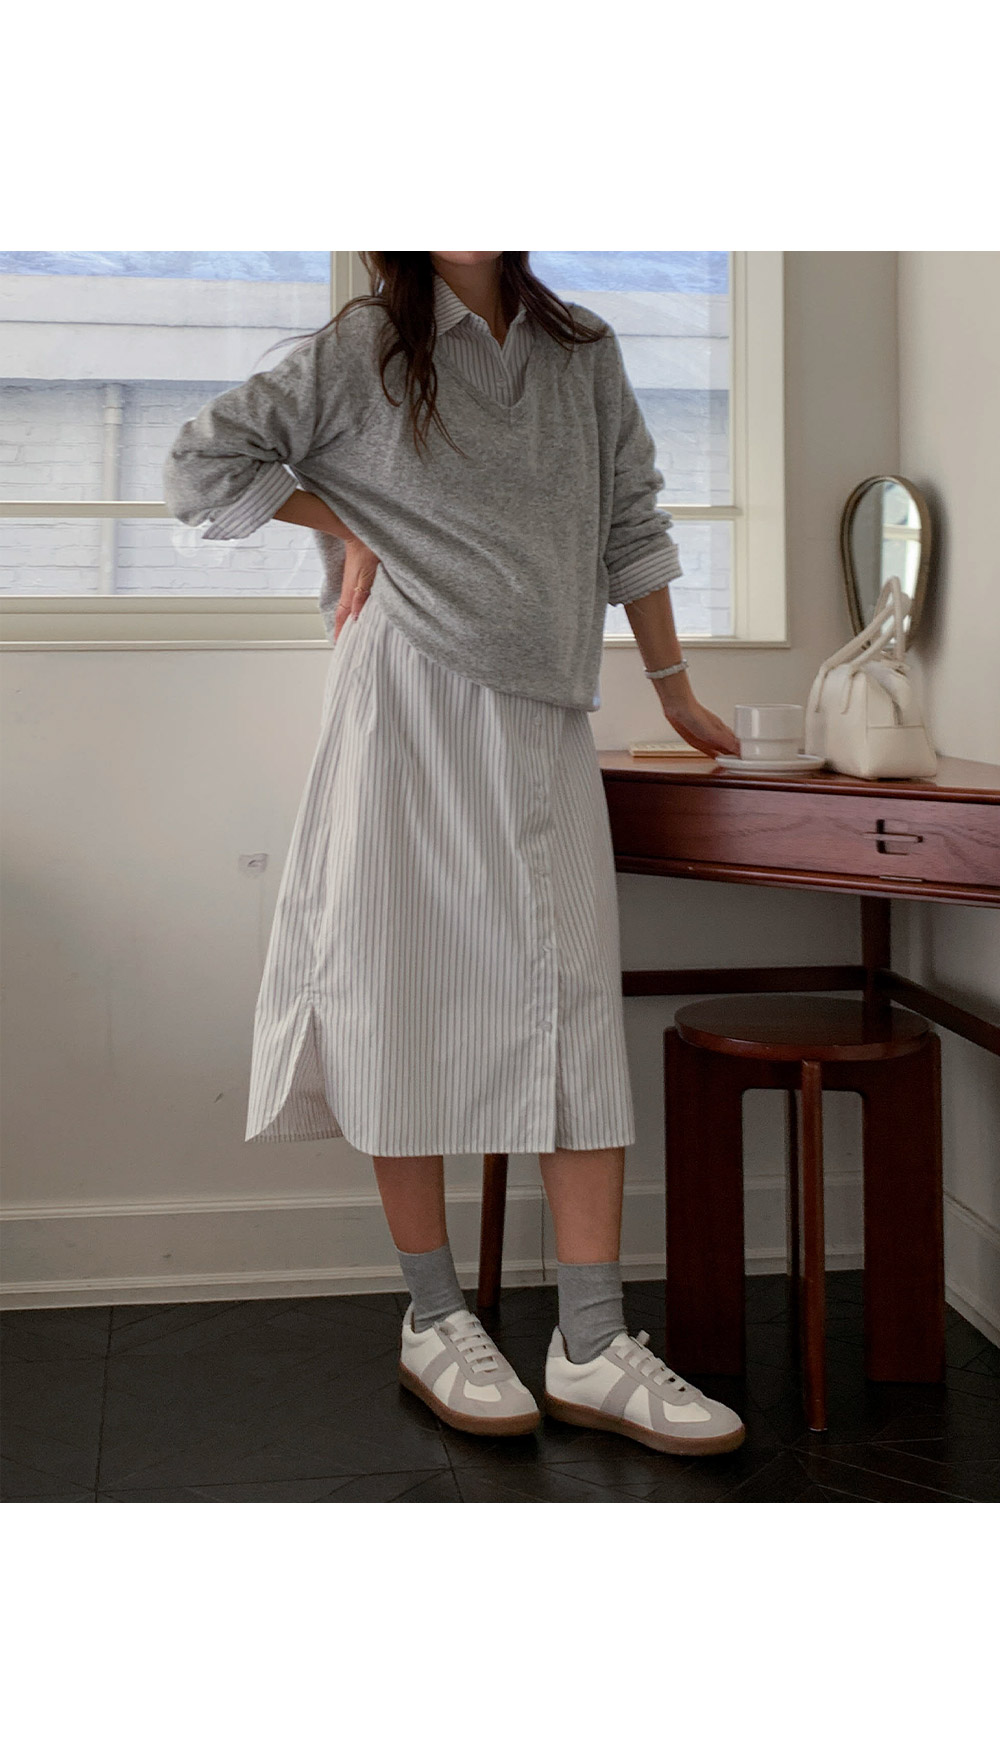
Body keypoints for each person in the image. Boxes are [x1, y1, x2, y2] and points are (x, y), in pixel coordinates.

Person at [163, 250, 746, 1459]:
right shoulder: (365, 347)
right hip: (407, 699)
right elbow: (201, 463)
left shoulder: (582, 350)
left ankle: (591, 1342)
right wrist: (352, 520)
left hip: (547, 709)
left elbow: (629, 517)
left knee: (570, 1004)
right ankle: (433, 1317)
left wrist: (675, 688)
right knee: (399, 989)